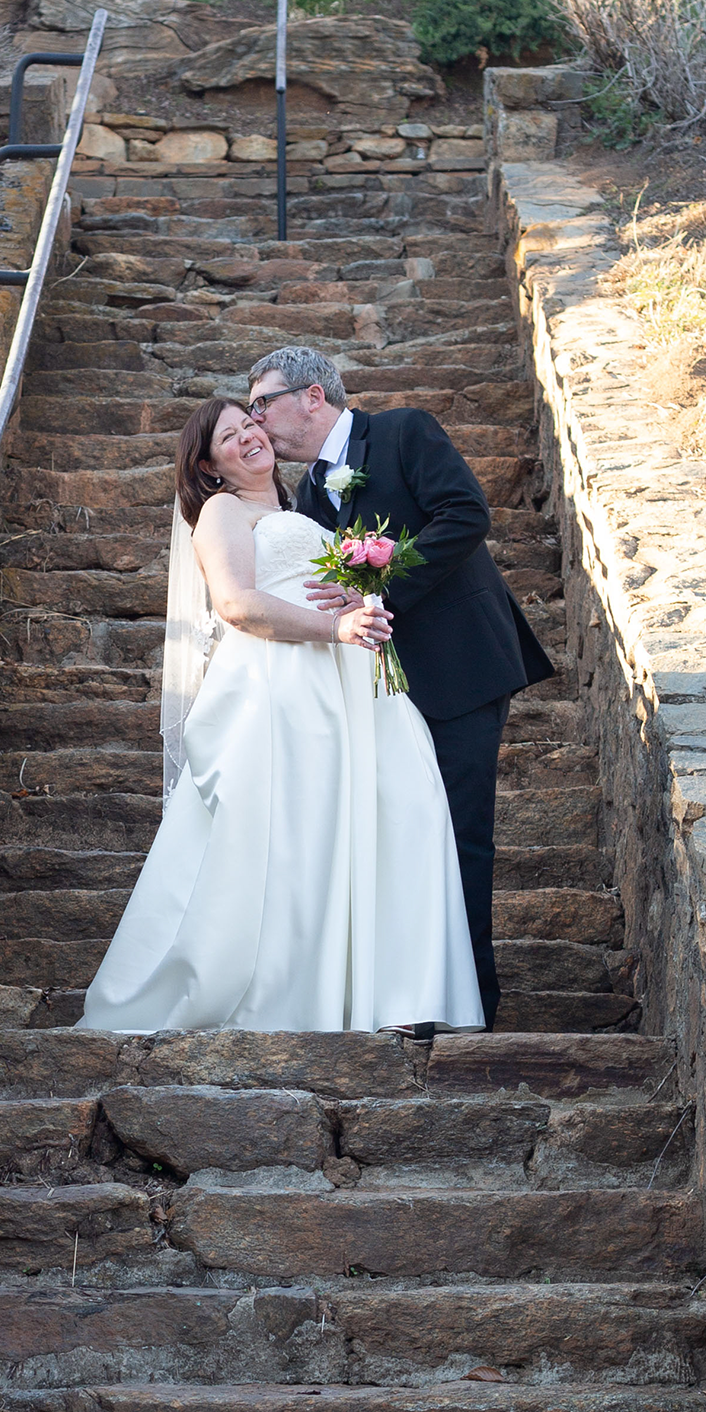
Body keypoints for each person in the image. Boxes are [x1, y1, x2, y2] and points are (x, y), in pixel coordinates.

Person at [76, 395, 484, 1035]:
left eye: (250, 425)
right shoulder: (222, 512)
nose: (248, 438)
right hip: (284, 681)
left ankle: (389, 996)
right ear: (210, 467)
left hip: (353, 678)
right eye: (229, 438)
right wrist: (335, 626)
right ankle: (290, 997)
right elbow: (237, 604)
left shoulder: (304, 510)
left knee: (397, 811)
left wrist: (363, 599)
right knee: (298, 838)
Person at [248, 345, 555, 1030]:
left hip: (459, 666)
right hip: (378, 691)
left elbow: (465, 515)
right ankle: (411, 990)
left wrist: (379, 582)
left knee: (460, 830)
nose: (256, 417)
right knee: (401, 835)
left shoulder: (402, 432)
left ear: (313, 397)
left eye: (263, 401)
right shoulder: (304, 494)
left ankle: (475, 1001)